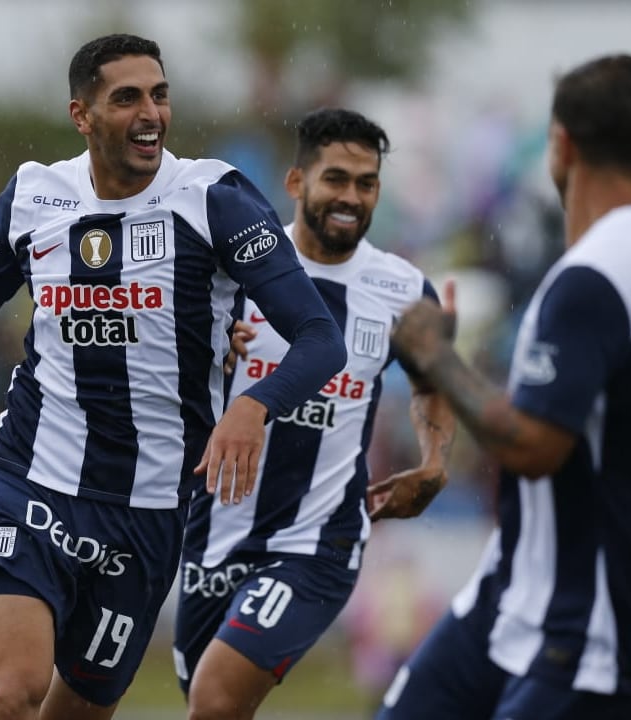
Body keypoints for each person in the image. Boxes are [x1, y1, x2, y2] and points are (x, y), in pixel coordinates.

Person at [0, 33, 347, 720]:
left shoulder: (214, 199)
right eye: (127, 98)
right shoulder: (33, 196)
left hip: (147, 510)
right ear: (81, 115)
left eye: (159, 95)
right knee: (8, 695)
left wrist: (252, 406)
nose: (150, 114)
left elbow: (321, 338)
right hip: (31, 480)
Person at [379, 54, 631, 720]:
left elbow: (531, 445)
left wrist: (435, 356)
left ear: (560, 144)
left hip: (587, 625)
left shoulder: (592, 279)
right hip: (516, 593)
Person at [172, 107, 457, 720]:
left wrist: (435, 460)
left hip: (318, 540)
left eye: (366, 182)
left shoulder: (403, 291)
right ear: (297, 182)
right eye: (335, 179)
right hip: (213, 528)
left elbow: (433, 384)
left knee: (215, 697)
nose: (350, 197)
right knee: (209, 701)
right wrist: (209, 353)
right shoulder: (233, 271)